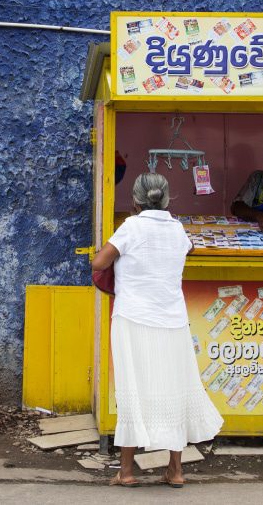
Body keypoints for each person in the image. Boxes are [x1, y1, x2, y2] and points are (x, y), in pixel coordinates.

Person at [91, 173, 223, 488]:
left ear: (135, 201)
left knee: (133, 390)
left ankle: (127, 472)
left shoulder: (131, 227)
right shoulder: (177, 230)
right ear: (165, 200)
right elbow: (188, 249)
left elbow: (98, 263)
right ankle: (175, 470)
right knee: (174, 389)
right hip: (173, 322)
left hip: (133, 320)